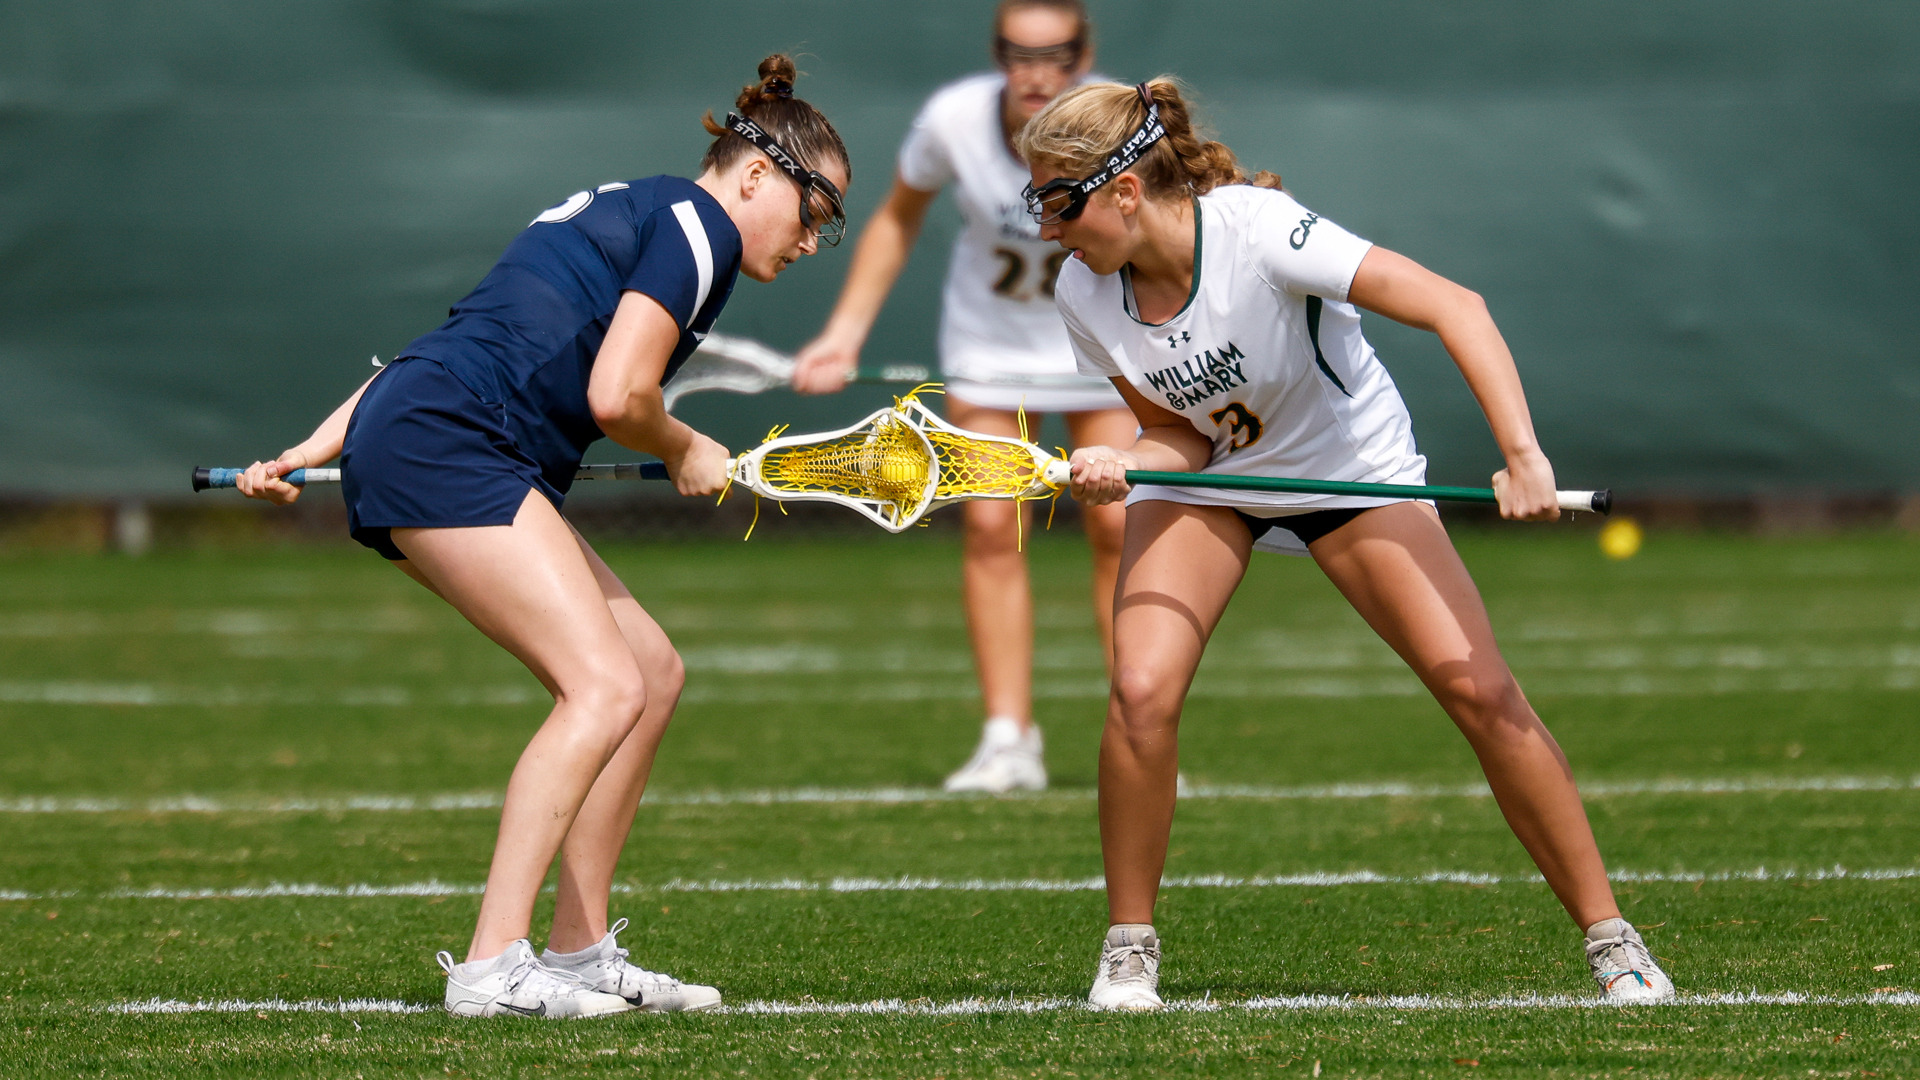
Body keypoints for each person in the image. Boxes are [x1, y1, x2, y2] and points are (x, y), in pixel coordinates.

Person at [1016, 79, 1676, 1009]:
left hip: (1347, 472)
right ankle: (1129, 950)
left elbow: (1458, 306)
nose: (1047, 226)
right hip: (1219, 481)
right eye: (1037, 201)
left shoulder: (1259, 231)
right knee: (1139, 690)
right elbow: (1180, 433)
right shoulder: (1085, 292)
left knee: (1477, 689)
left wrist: (1523, 456)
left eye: (1059, 199)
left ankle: (1614, 942)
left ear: (1125, 189)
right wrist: (1123, 460)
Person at [234, 56, 850, 1018]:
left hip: (436, 427)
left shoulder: (652, 219)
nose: (817, 237)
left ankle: (576, 952)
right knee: (602, 686)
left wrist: (315, 444)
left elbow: (460, 339)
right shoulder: (697, 233)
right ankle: (490, 968)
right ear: (758, 172)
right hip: (450, 443)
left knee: (649, 674)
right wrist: (687, 446)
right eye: (817, 207)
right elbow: (617, 396)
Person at [791, 0, 1135, 793]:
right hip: (990, 350)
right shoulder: (953, 118)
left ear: (1084, 54)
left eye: (1055, 55)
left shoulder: (1121, 119)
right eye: (1018, 53)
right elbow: (895, 219)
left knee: (1119, 527)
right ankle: (1009, 736)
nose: (1036, 73)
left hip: (1101, 349)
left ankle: (1138, 726)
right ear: (997, 54)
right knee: (991, 526)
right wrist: (844, 334)